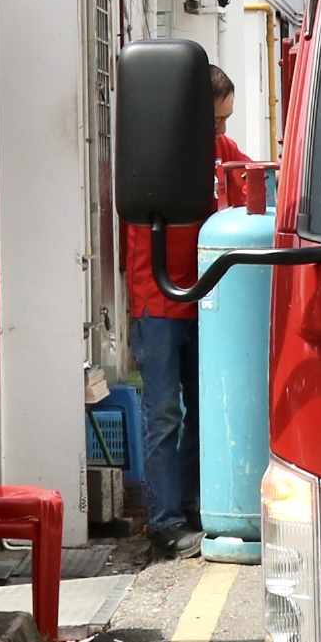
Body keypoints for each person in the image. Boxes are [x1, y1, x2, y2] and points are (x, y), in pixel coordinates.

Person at [119, 65, 249, 548]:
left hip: (210, 301)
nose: (221, 132)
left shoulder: (225, 154)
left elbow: (256, 193)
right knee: (164, 414)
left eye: (226, 121)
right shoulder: (155, 152)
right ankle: (165, 522)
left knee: (204, 410)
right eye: (215, 121)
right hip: (158, 301)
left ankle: (198, 507)